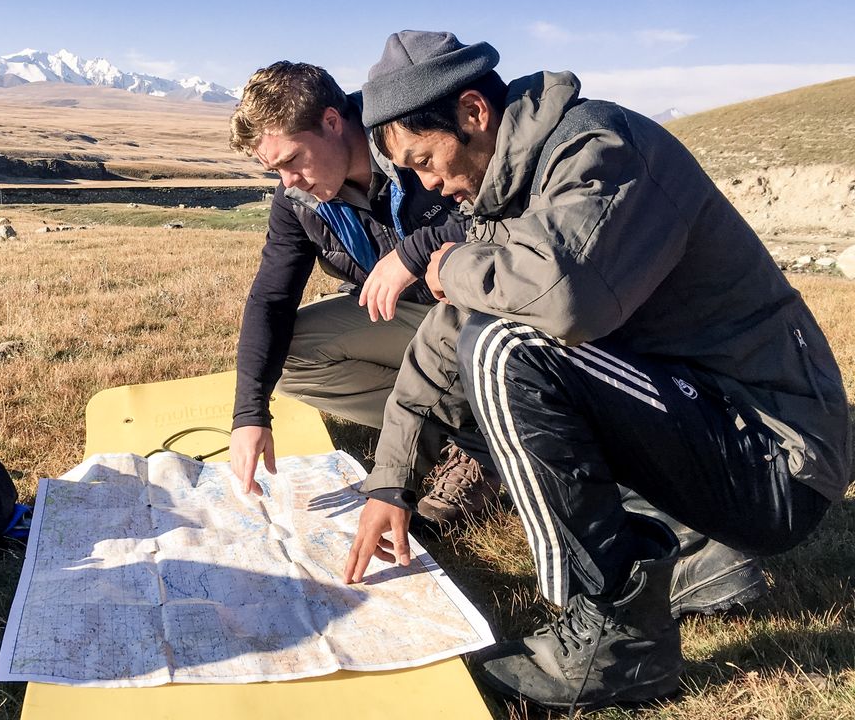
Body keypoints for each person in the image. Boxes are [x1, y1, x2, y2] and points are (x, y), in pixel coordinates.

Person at [343, 30, 850, 710]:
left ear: (473, 112)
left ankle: (614, 636)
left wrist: (449, 264)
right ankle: (701, 550)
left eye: (424, 159)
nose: (426, 183)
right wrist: (390, 486)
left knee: (505, 352)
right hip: (714, 425)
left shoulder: (601, 151)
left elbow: (567, 298)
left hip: (776, 456)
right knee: (484, 337)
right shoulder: (511, 193)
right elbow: (439, 342)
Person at [226, 61, 504, 527]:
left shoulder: (411, 132)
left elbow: (493, 201)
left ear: (332, 122)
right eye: (274, 169)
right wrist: (249, 414)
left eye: (292, 160)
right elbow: (271, 299)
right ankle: (449, 435)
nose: (287, 181)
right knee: (289, 357)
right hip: (416, 320)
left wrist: (411, 254)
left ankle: (489, 448)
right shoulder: (298, 199)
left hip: (484, 309)